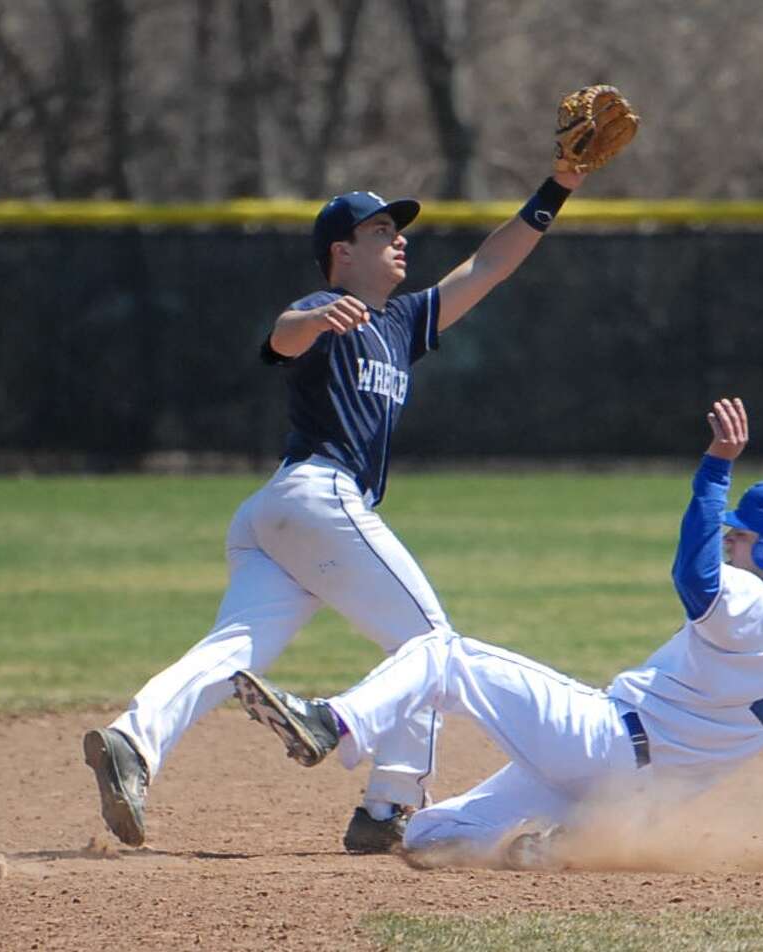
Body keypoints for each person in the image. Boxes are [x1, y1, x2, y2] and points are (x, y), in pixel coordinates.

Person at [83, 149, 605, 852]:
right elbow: (280, 337)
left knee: (232, 651)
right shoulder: (323, 312)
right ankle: (388, 808)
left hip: (279, 518)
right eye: (382, 231)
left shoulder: (401, 322)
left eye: (400, 230)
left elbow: (488, 266)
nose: (400, 241)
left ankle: (131, 742)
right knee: (430, 645)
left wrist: (559, 186)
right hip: (317, 497)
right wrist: (317, 317)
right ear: (342, 251)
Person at [229, 397, 763, 867]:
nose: (729, 541)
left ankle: (332, 723)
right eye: (729, 531)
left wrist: (715, 470)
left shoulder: (754, 601)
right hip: (632, 795)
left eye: (742, 536)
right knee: (426, 839)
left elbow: (694, 577)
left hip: (604, 742)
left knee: (440, 654)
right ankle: (551, 845)